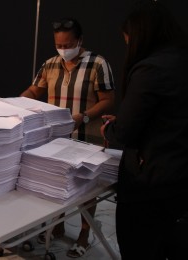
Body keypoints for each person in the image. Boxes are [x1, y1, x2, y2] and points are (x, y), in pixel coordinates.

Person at [21, 18, 115, 258]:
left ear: (80, 41)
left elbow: (108, 99)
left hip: (87, 135)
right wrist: (18, 103)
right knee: (57, 183)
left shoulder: (98, 64)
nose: (63, 49)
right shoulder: (51, 64)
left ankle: (85, 233)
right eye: (59, 45)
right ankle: (58, 224)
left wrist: (83, 117)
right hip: (55, 137)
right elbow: (34, 90)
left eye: (68, 44)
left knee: (87, 188)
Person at [101, 1, 188, 259]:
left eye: (128, 40)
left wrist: (110, 128)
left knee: (141, 248)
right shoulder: (181, 60)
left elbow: (125, 131)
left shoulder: (151, 69)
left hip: (151, 183)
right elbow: (170, 116)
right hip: (180, 179)